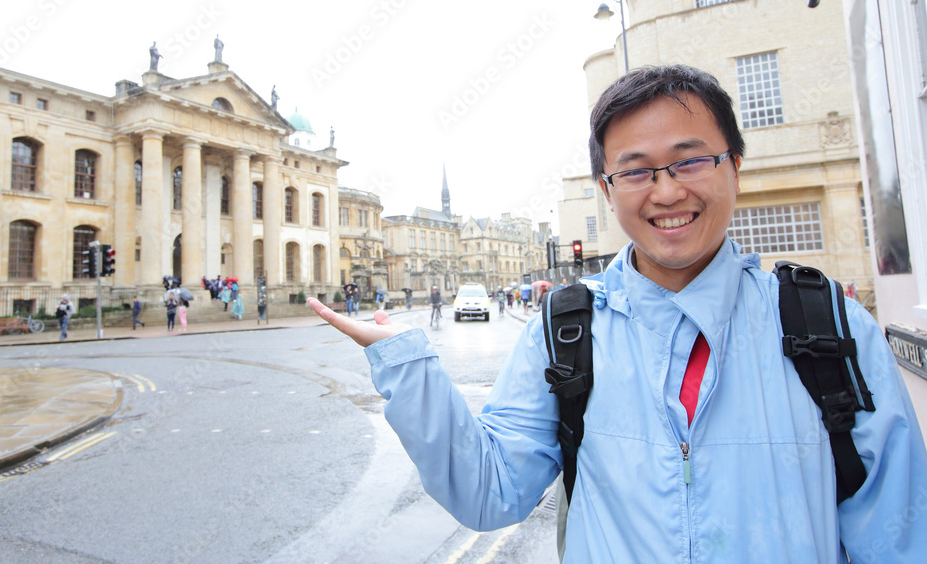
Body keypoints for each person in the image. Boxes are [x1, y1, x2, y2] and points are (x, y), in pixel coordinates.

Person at [307, 64, 927, 561]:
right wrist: (404, 361)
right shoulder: (564, 330)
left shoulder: (829, 327)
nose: (666, 191)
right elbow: (489, 492)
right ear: (607, 190)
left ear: (735, 167)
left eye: (689, 160)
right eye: (634, 172)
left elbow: (898, 536)